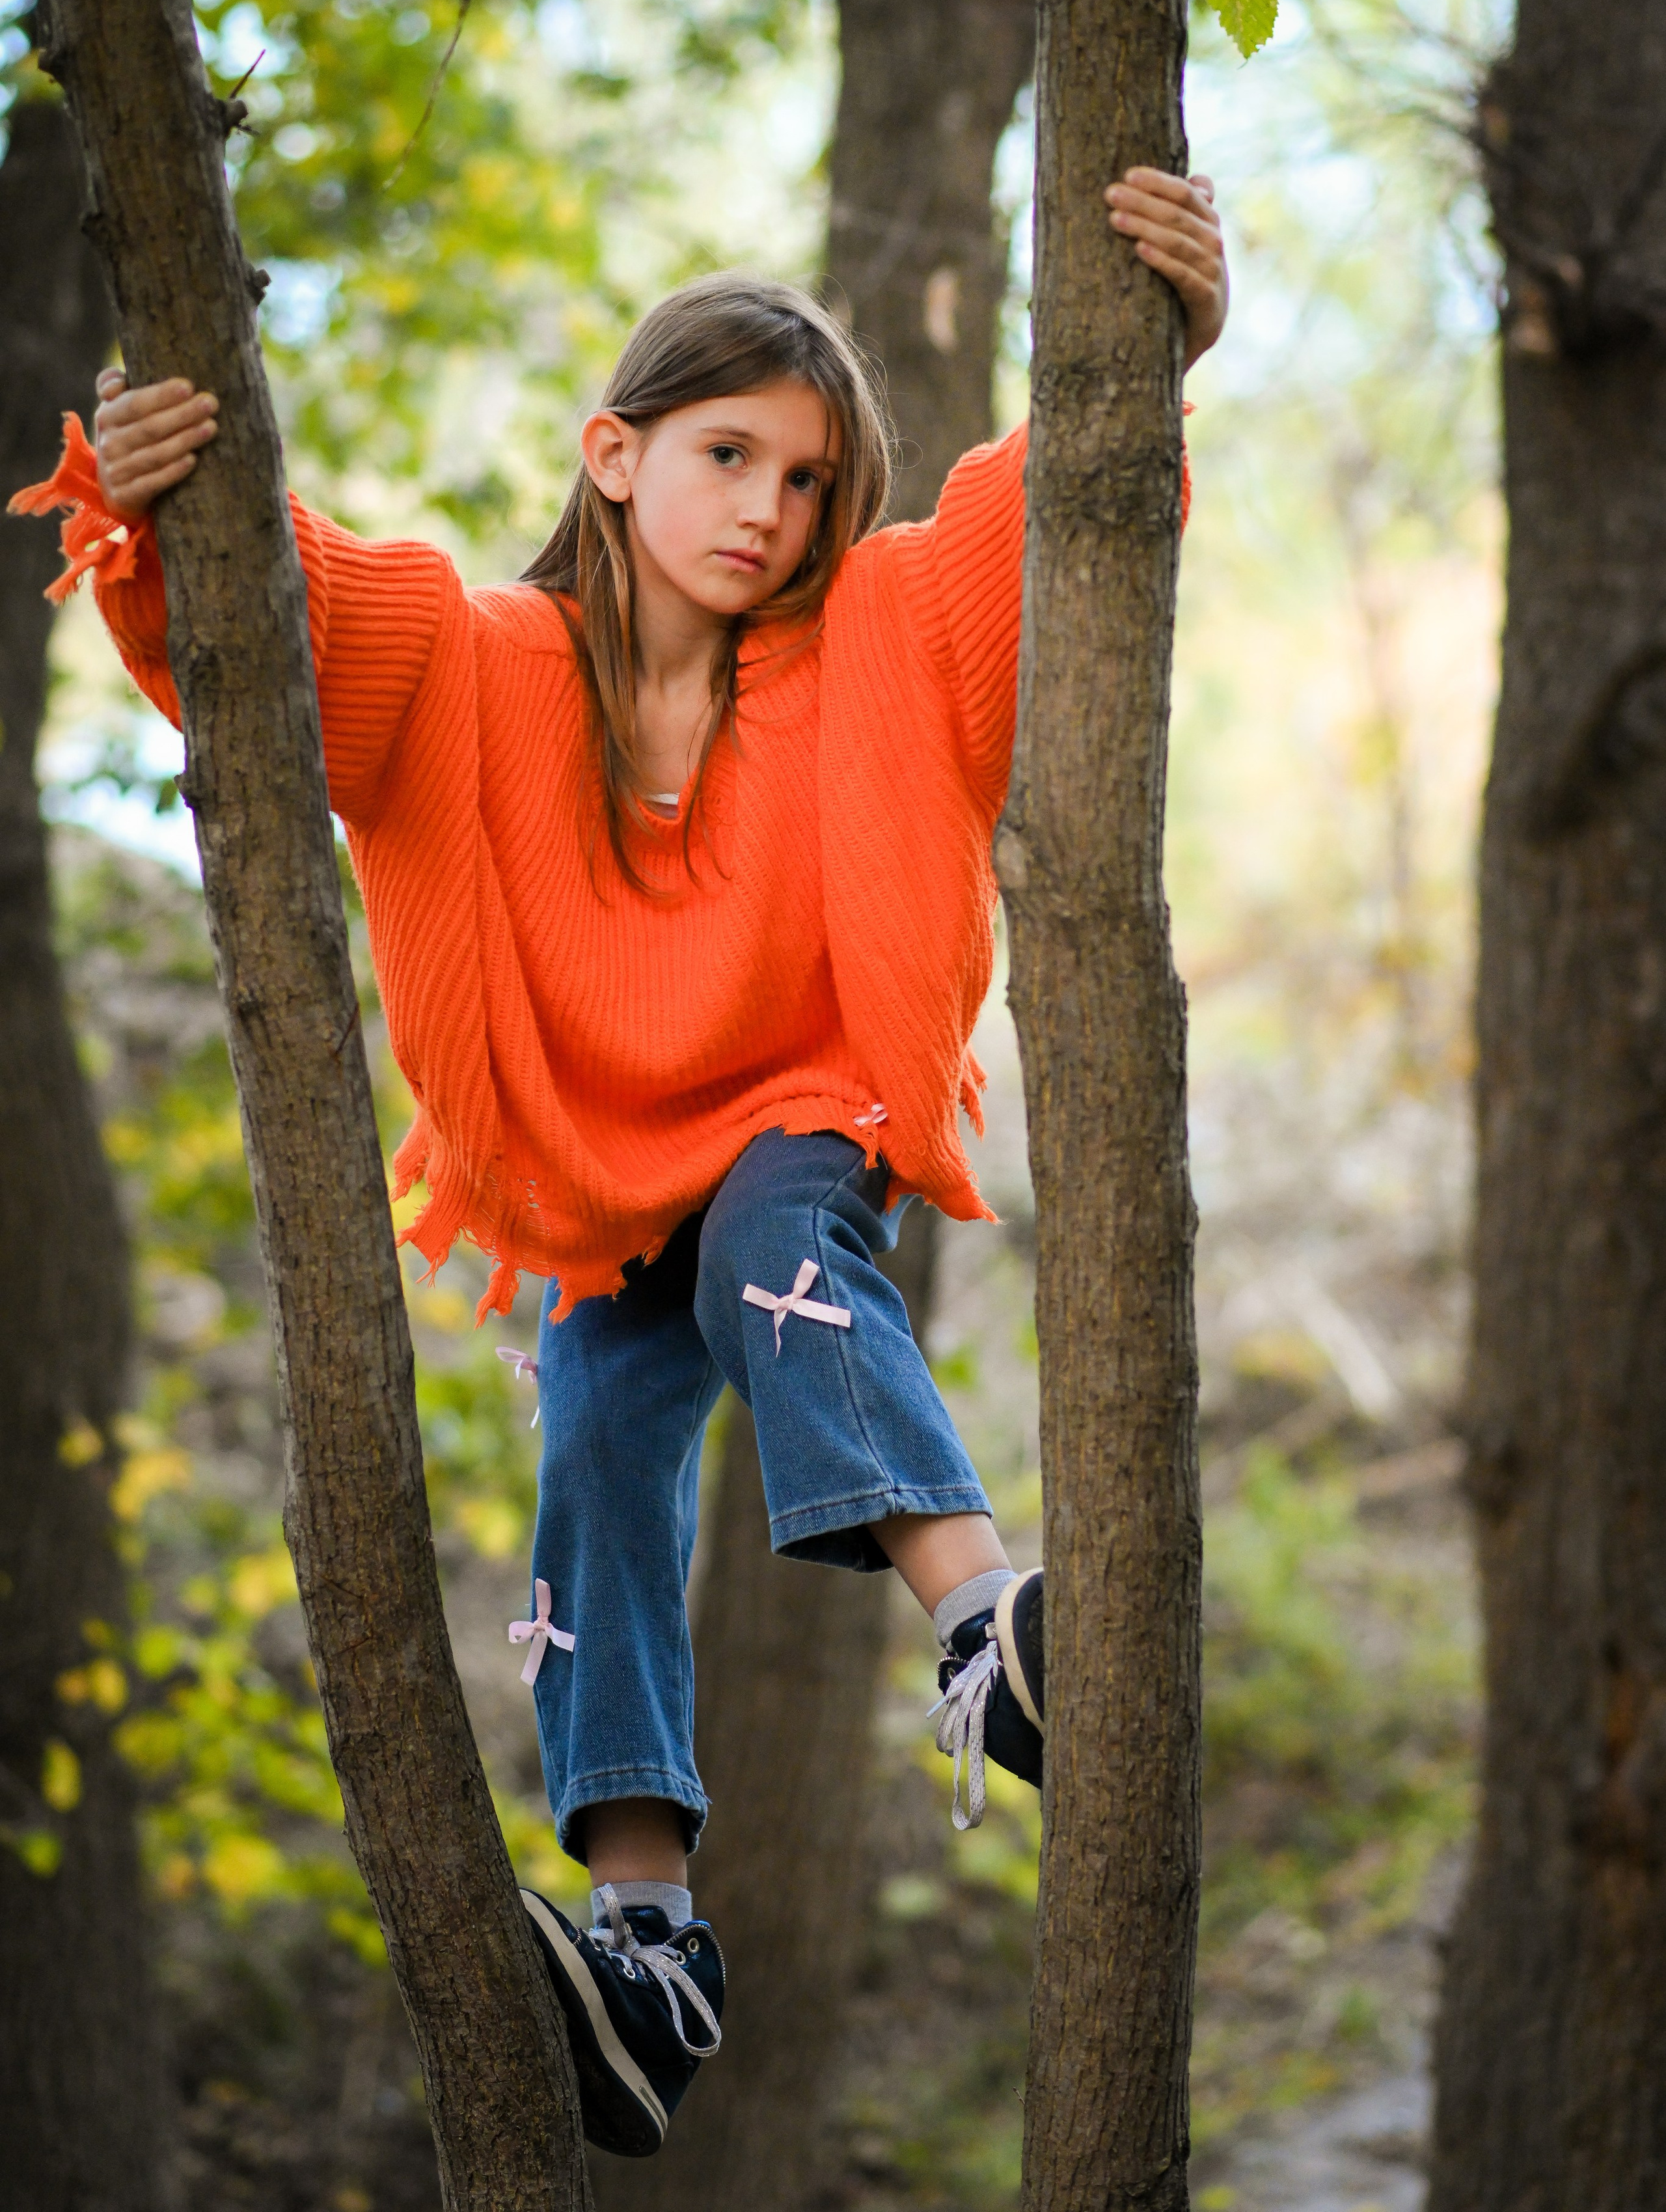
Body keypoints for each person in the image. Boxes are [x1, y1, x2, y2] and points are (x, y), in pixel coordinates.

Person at [21, 167, 1226, 2157]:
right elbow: (270, 600)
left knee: (772, 1235)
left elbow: (1052, 506)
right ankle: (649, 1944)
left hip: (797, 1128)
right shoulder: (465, 654)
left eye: (812, 479)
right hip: (593, 1182)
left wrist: (1157, 348)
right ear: (615, 454)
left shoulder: (880, 637)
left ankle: (981, 1625)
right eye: (729, 452)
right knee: (594, 1448)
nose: (772, 506)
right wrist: (151, 495)